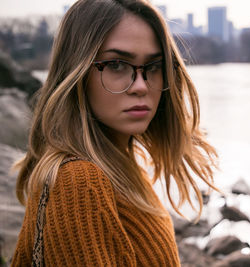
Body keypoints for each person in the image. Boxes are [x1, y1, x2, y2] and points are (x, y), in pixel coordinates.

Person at [11, 0, 218, 266]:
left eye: (154, 67)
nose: (141, 86)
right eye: (117, 65)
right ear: (77, 72)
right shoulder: (78, 181)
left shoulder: (125, 169)